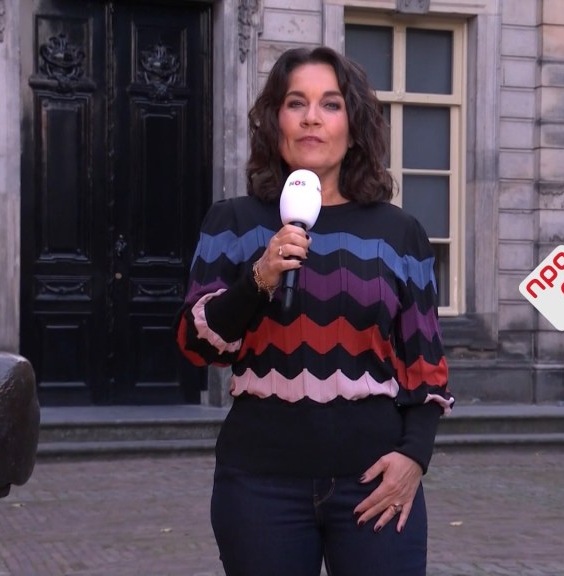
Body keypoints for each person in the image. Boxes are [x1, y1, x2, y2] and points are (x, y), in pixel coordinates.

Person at [175, 45, 453, 576]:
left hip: (375, 482)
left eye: (330, 104)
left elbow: (425, 366)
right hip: (259, 486)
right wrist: (258, 278)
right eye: (295, 102)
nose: (311, 118)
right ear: (275, 120)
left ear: (353, 124)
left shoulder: (399, 233)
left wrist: (414, 457)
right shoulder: (232, 222)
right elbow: (196, 344)